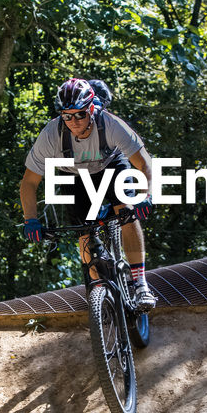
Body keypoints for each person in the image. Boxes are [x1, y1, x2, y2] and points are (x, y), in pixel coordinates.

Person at [20, 77, 157, 310]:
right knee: (83, 229)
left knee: (126, 210)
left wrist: (146, 196)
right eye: (67, 116)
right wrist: (30, 219)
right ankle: (98, 289)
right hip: (72, 175)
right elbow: (29, 182)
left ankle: (140, 282)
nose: (73, 121)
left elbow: (144, 163)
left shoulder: (111, 125)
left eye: (80, 114)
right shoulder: (51, 134)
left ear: (92, 109)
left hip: (110, 165)